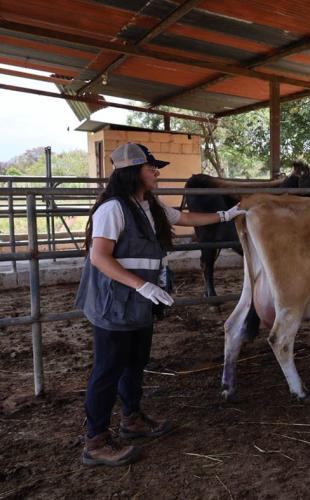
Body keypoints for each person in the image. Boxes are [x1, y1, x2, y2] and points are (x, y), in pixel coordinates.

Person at [75, 143, 246, 466]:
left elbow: (184, 216)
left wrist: (225, 214)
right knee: (107, 369)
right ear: (132, 172)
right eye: (150, 167)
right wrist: (142, 284)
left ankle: (132, 419)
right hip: (114, 300)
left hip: (139, 300)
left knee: (135, 362)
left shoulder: (147, 205)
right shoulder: (113, 209)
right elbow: (99, 256)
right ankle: (95, 441)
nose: (156, 171)